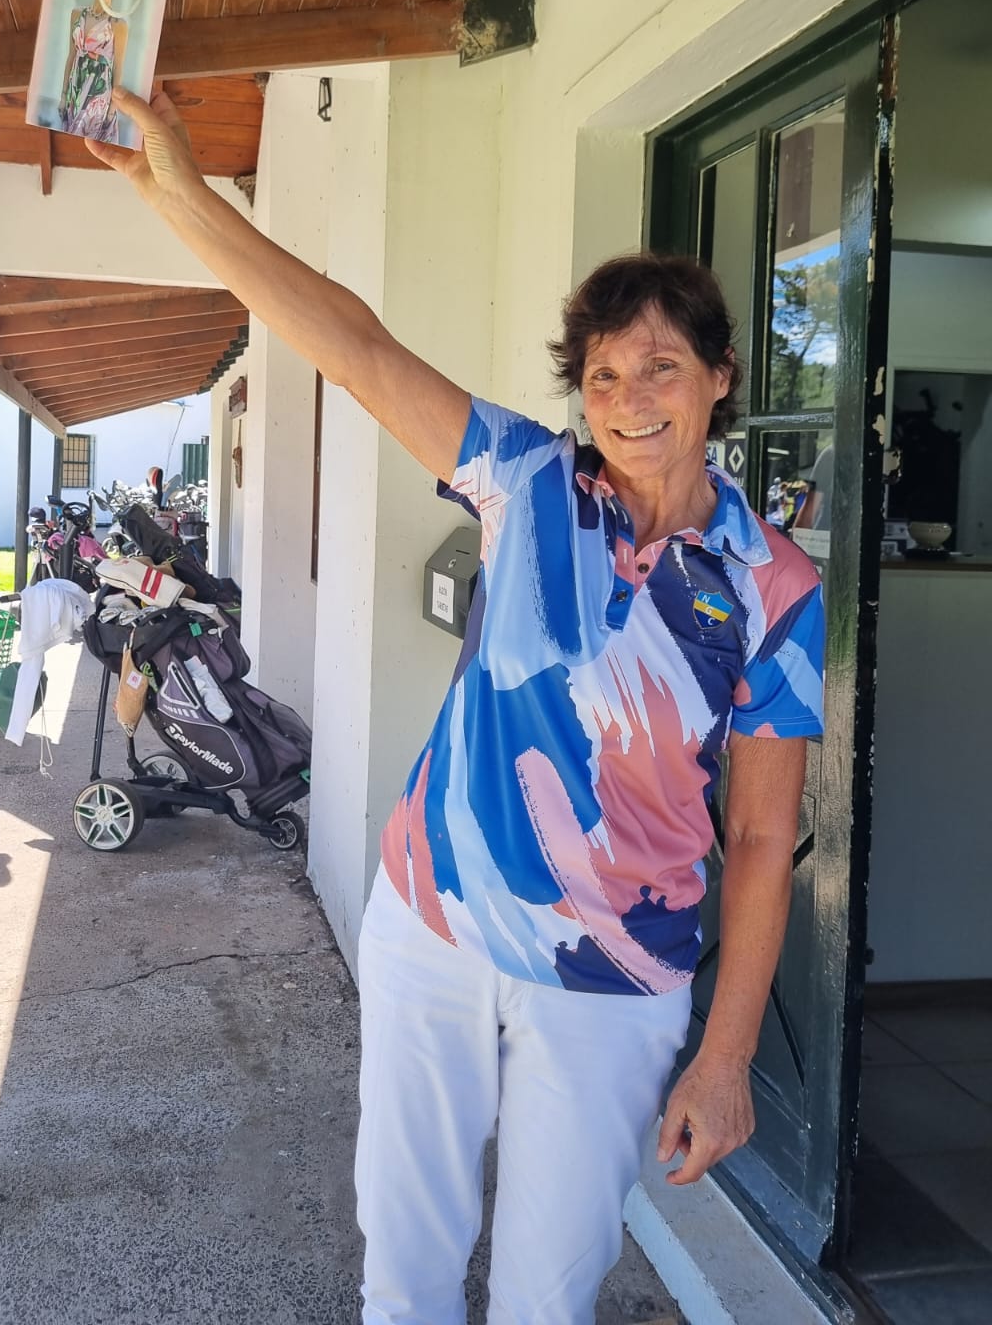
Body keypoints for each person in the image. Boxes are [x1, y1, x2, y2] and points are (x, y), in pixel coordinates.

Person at [87, 90, 826, 1324]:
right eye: (603, 373)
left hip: (612, 979)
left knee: (549, 1293)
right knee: (406, 1269)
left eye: (661, 366)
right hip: (433, 928)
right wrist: (181, 192)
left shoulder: (774, 584)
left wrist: (730, 1052)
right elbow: (357, 347)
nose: (630, 396)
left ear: (719, 379)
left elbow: (756, 836)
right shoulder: (529, 483)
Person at [58, 0, 128, 142]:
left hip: (99, 93)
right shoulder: (76, 14)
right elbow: (71, 55)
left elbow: (118, 67)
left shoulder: (118, 24)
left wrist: (112, 109)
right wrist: (63, 95)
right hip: (75, 88)